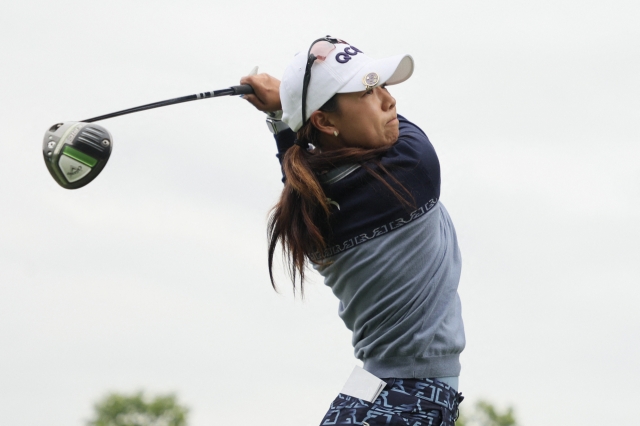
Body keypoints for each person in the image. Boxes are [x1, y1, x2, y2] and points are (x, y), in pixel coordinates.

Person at [241, 36, 465, 426]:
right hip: (414, 399)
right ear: (325, 121)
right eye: (366, 90)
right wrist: (283, 105)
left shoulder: (307, 202)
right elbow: (382, 134)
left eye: (381, 85)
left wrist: (287, 111)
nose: (389, 100)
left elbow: (301, 155)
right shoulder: (411, 168)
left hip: (366, 388)